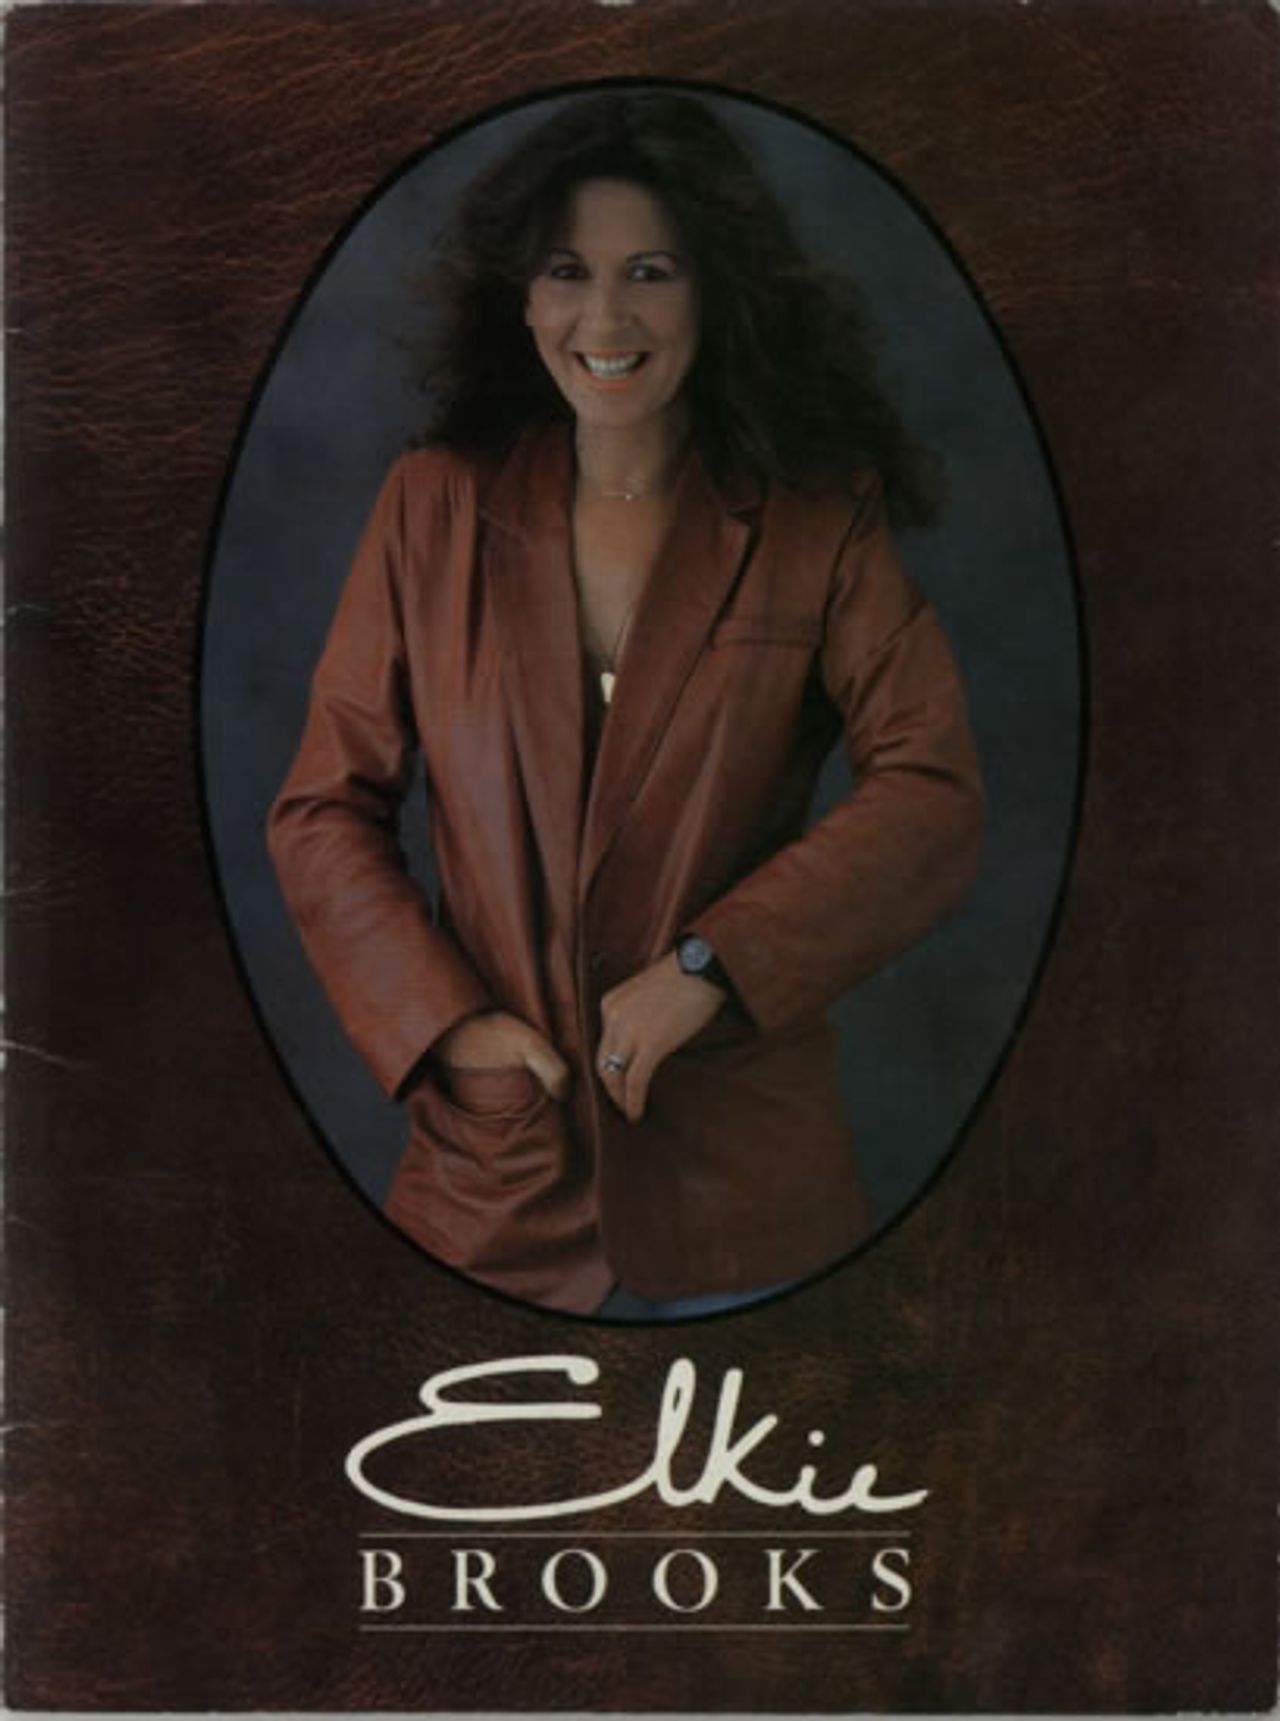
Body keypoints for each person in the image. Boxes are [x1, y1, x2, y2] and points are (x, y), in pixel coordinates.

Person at [267, 90, 984, 1319]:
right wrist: (450, 1026)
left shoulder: (819, 520)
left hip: (745, 1188)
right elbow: (322, 807)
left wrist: (710, 964)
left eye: (650, 272)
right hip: (494, 1177)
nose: (604, 319)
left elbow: (933, 792)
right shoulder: (429, 508)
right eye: (567, 272)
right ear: (522, 296)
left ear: (714, 289)